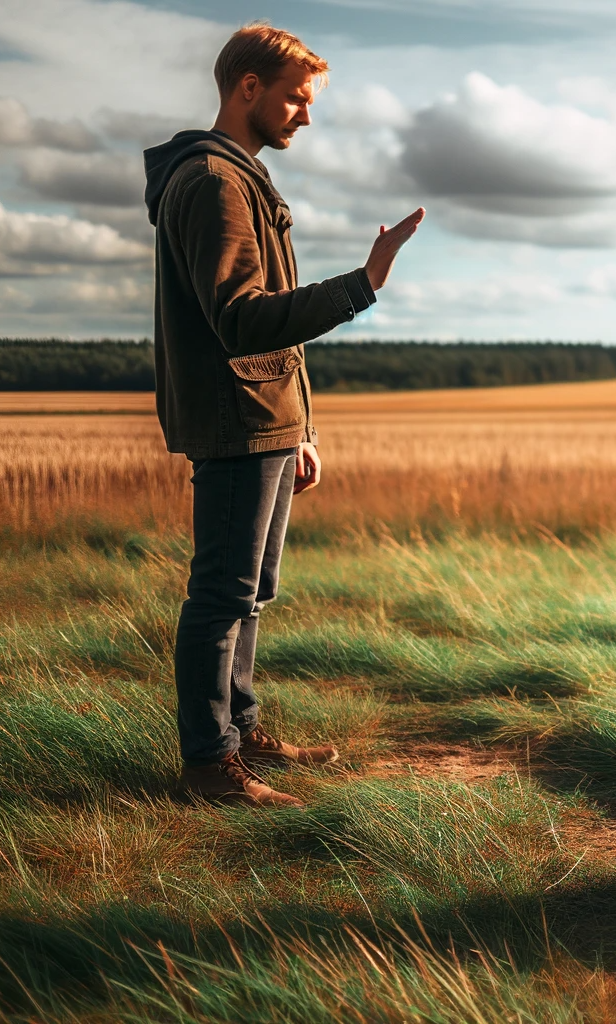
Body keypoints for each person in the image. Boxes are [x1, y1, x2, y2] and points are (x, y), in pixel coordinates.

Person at [142, 22, 424, 807]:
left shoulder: (238, 176)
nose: (306, 115)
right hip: (235, 421)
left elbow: (260, 332)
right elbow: (242, 318)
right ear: (248, 89)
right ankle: (208, 765)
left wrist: (300, 427)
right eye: (298, 99)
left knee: (251, 590)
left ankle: (240, 732)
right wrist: (362, 283)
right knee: (222, 594)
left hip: (262, 419)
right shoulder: (212, 182)